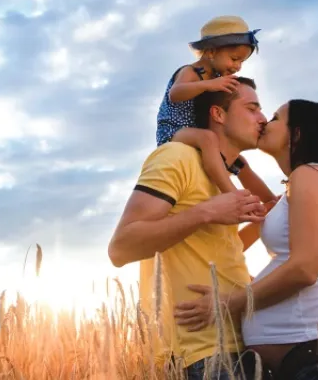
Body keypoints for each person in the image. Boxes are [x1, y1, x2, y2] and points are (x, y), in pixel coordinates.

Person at [174, 99, 318, 379]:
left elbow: (303, 269)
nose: (264, 121)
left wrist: (228, 303)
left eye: (274, 117)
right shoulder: (300, 184)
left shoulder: (309, 175)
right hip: (310, 357)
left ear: (296, 133)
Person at [108, 77, 275, 379]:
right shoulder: (177, 156)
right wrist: (207, 211)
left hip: (251, 342)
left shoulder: (225, 175)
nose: (262, 118)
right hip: (205, 354)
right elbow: (121, 248)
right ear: (218, 114)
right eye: (252, 109)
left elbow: (212, 246)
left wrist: (260, 220)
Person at [155, 15, 276, 205]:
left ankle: (272, 202)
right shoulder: (192, 72)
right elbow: (176, 93)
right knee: (208, 139)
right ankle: (233, 196)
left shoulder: (217, 76)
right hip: (174, 132)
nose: (237, 66)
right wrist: (209, 85)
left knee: (240, 163)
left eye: (241, 62)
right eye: (234, 59)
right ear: (211, 52)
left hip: (197, 131)